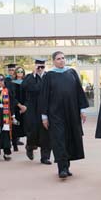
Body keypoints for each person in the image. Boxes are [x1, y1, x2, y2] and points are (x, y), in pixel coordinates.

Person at [39, 50, 88, 179]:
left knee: (69, 138)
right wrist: (44, 116)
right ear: (54, 61)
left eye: (63, 58)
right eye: (58, 59)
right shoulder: (49, 76)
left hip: (71, 112)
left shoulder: (71, 73)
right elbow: (44, 96)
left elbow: (79, 92)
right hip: (55, 114)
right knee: (59, 139)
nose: (61, 60)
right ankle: (62, 168)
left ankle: (67, 166)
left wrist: (82, 110)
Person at [24, 59, 52, 165]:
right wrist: (33, 74)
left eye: (42, 67)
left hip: (45, 108)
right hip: (33, 109)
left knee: (46, 132)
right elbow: (25, 86)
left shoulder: (49, 76)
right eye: (38, 67)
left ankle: (45, 157)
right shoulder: (29, 77)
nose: (40, 69)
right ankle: (30, 146)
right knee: (33, 131)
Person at [10, 66, 27, 152]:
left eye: (21, 71)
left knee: (27, 126)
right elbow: (12, 96)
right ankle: (14, 144)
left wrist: (25, 106)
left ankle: (30, 145)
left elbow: (28, 95)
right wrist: (19, 106)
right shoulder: (12, 83)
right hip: (16, 107)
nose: (20, 72)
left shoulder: (26, 82)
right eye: (18, 71)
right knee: (15, 126)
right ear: (16, 72)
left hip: (25, 107)